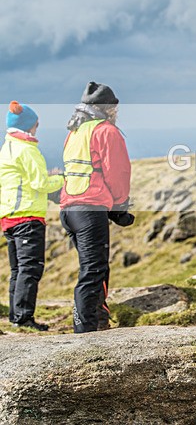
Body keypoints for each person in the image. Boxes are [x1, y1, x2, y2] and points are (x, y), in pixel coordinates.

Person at [60, 82, 133, 333]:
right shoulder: (106, 131)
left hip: (69, 208)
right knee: (93, 270)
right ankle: (85, 329)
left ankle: (99, 319)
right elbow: (118, 172)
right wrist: (120, 206)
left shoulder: (75, 131)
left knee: (94, 266)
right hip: (90, 209)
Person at [0, 101, 64, 331]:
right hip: (28, 217)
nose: (38, 129)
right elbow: (40, 183)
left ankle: (16, 316)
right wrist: (60, 179)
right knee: (30, 268)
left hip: (9, 217)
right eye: (37, 124)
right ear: (29, 126)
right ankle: (24, 318)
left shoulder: (7, 148)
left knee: (18, 269)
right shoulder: (27, 149)